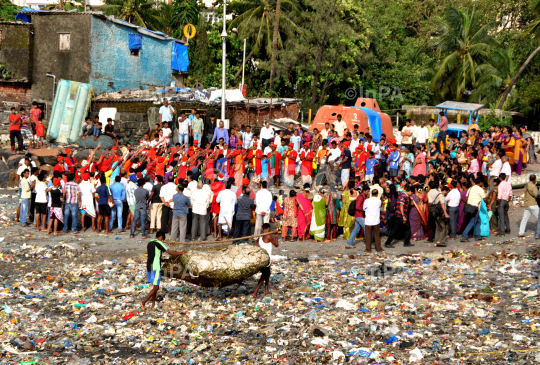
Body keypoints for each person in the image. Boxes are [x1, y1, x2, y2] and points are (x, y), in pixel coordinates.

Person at [140, 231, 186, 311]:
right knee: (156, 287)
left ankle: (153, 304)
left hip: (149, 266)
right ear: (161, 237)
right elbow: (168, 251)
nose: (162, 240)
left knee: (154, 286)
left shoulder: (150, 243)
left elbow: (153, 255)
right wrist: (180, 253)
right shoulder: (159, 242)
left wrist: (162, 260)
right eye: (163, 239)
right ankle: (143, 302)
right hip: (155, 267)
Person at [252, 223, 279, 298]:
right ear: (269, 228)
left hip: (261, 259)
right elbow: (276, 245)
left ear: (263, 229)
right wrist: (276, 236)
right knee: (263, 276)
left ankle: (266, 289)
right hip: (266, 260)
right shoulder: (269, 236)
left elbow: (257, 248)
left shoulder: (259, 238)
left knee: (268, 273)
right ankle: (255, 292)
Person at [385, 184, 414, 248]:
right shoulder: (404, 196)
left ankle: (406, 242)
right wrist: (403, 215)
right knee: (396, 229)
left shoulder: (402, 195)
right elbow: (401, 205)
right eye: (411, 193)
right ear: (410, 191)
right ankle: (388, 242)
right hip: (400, 215)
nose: (411, 194)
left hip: (399, 214)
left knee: (406, 228)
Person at [461, 177, 487, 242]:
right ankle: (463, 236)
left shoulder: (470, 188)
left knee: (478, 221)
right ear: (480, 182)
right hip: (475, 208)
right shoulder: (480, 189)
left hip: (469, 207)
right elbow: (485, 199)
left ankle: (478, 236)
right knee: (472, 222)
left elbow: (467, 197)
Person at [496, 172, 512, 236]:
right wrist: (508, 201)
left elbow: (499, 196)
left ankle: (502, 231)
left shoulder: (500, 185)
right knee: (506, 216)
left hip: (502, 201)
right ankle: (508, 229)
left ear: (500, 178)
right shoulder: (508, 184)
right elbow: (510, 194)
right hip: (506, 201)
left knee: (501, 217)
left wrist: (498, 203)